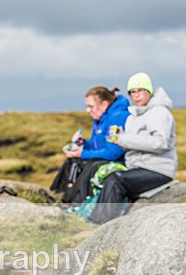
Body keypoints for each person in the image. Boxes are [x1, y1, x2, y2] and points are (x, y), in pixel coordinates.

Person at [89, 72, 177, 224]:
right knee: (101, 169)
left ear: (149, 91)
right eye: (132, 92)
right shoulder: (134, 115)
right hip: (137, 166)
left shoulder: (159, 113)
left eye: (140, 91)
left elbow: (160, 143)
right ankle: (86, 214)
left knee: (116, 180)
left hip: (158, 169)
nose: (136, 96)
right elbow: (134, 141)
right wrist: (119, 137)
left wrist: (124, 139)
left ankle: (100, 225)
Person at [51, 86, 130, 204]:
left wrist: (82, 153)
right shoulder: (99, 119)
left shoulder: (118, 117)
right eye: (87, 106)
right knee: (72, 161)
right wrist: (84, 143)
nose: (88, 110)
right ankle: (54, 195)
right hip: (105, 159)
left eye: (91, 106)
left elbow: (114, 152)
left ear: (104, 104)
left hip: (120, 162)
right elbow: (97, 146)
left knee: (93, 164)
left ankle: (72, 202)